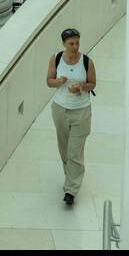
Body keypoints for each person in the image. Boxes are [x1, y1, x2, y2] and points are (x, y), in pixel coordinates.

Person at [47, 27, 96, 206]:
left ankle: (71, 190)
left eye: (77, 43)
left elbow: (93, 83)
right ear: (64, 44)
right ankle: (70, 178)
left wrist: (81, 87)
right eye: (71, 43)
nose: (75, 46)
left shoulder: (87, 61)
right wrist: (59, 82)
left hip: (81, 111)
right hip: (60, 109)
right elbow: (49, 81)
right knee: (64, 148)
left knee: (75, 151)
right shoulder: (56, 58)